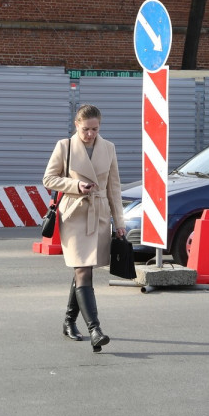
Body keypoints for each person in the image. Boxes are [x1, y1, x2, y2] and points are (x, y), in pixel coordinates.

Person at [43, 104, 126, 352]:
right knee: (82, 270)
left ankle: (69, 321)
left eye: (95, 129)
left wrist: (119, 223)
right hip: (75, 214)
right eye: (86, 129)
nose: (90, 134)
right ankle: (95, 330)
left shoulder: (109, 148)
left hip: (98, 215)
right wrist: (76, 185)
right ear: (76, 125)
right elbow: (48, 178)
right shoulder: (64, 146)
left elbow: (114, 188)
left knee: (83, 270)